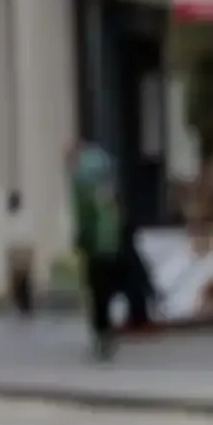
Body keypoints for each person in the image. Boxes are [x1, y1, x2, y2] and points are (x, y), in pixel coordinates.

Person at [68, 140, 125, 361]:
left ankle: (102, 332)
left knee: (97, 291)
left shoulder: (80, 177)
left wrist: (80, 240)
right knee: (109, 288)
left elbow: (83, 215)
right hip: (112, 239)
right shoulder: (107, 167)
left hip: (95, 244)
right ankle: (108, 329)